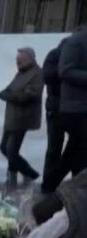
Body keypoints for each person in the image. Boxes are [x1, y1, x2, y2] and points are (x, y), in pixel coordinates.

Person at [44, 26, 87, 193]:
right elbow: (65, 71)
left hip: (79, 108)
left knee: (77, 150)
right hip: (74, 109)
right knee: (73, 151)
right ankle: (52, 186)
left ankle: (68, 189)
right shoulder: (75, 42)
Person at [0, 47, 44, 188]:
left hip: (24, 116)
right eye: (17, 60)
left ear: (30, 58)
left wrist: (10, 96)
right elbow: (11, 88)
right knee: (4, 148)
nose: (17, 62)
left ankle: (11, 180)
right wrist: (6, 93)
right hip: (13, 116)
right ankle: (30, 173)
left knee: (11, 149)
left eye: (20, 60)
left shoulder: (37, 73)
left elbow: (31, 94)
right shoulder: (22, 72)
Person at [45, 43, 65, 183]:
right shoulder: (56, 54)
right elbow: (47, 76)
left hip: (72, 106)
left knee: (78, 148)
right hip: (57, 106)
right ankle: (49, 183)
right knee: (54, 147)